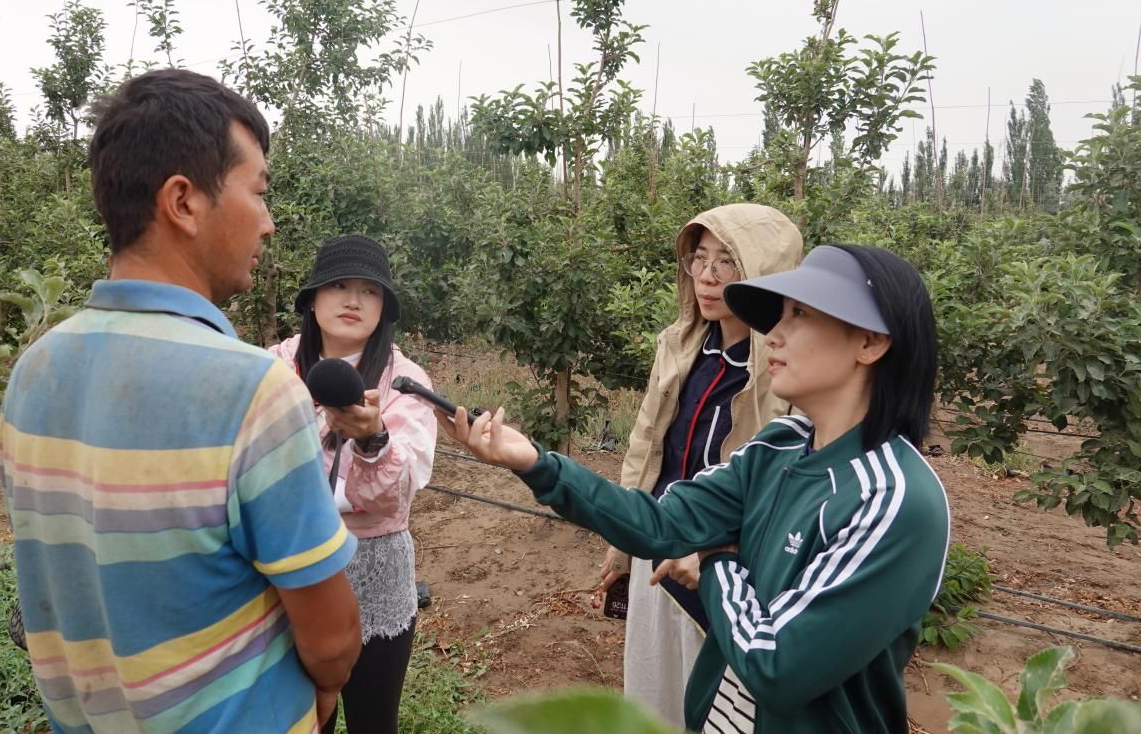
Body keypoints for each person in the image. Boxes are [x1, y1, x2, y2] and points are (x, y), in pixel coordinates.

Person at [440, 244, 951, 734]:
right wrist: (535, 463)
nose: (773, 335)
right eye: (779, 316)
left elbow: (777, 666)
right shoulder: (778, 447)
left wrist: (715, 562)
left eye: (799, 315)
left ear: (870, 342)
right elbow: (659, 523)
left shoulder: (892, 498)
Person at [0, 69, 361, 734]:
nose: (269, 223)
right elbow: (332, 640)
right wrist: (329, 687)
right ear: (184, 202)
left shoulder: (33, 371)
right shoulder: (252, 390)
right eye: (258, 192)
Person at [594, 204, 801, 729]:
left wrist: (718, 552)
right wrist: (624, 541)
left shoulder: (784, 375)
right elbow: (646, 445)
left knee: (716, 703)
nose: (707, 277)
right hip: (660, 549)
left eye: (727, 261)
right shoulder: (681, 346)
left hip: (725, 569)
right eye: (699, 259)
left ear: (764, 272)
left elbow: (784, 485)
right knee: (653, 690)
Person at [270, 234, 437, 734]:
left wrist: (372, 439)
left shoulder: (404, 381)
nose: (353, 300)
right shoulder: (273, 369)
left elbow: (395, 493)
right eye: (339, 286)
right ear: (312, 299)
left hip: (375, 572)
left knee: (373, 722)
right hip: (291, 569)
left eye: (369, 290)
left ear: (383, 308)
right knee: (300, 721)